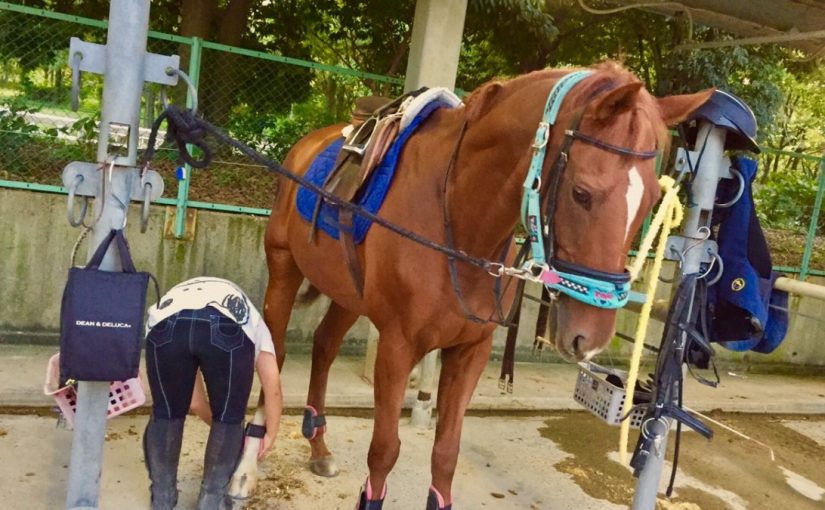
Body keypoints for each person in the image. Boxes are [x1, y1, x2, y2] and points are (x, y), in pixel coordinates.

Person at [142, 277, 282, 510]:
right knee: (229, 416)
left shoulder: (179, 294)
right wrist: (270, 434)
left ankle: (162, 498)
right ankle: (212, 499)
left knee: (166, 412)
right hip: (227, 326)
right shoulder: (255, 321)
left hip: (165, 324)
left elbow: (195, 403)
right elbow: (273, 386)